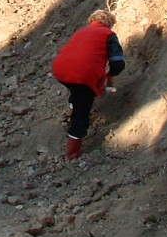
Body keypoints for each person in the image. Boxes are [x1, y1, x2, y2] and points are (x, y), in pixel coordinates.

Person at [51, 9, 125, 161]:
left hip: (60, 70)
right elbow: (118, 63)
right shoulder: (108, 35)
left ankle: (73, 105)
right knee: (81, 114)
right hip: (82, 75)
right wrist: (109, 75)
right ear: (109, 23)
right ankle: (72, 154)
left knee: (76, 91)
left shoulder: (82, 31)